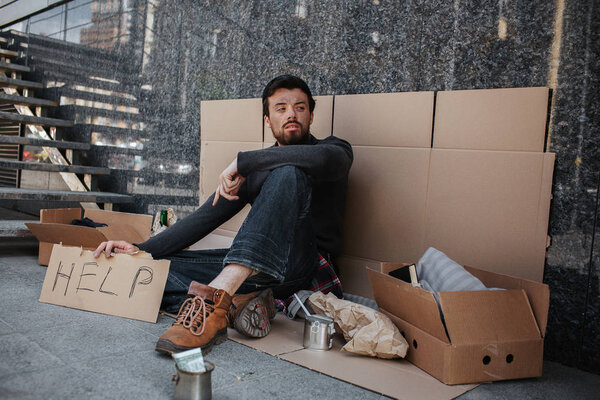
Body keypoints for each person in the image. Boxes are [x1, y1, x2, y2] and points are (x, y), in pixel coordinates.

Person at [93, 75, 353, 355]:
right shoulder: (254, 170)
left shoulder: (333, 149)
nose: (291, 113)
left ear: (311, 115)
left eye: (300, 107)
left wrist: (243, 161)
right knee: (153, 270)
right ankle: (236, 303)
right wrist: (142, 250)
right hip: (257, 268)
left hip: (304, 268)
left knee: (288, 172)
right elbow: (205, 219)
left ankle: (211, 303)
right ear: (267, 120)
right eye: (280, 108)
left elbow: (326, 161)